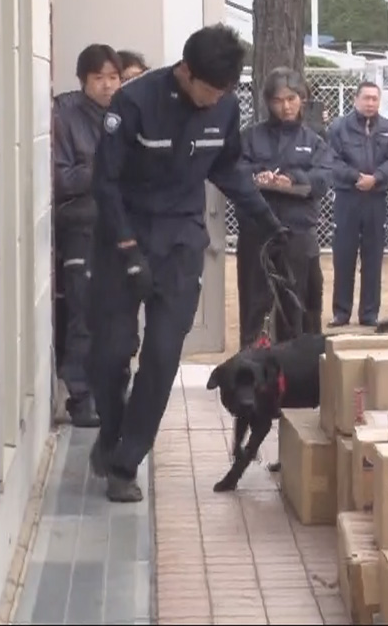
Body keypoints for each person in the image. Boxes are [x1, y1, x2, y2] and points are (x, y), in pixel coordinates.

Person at [89, 25, 287, 502]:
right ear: (185, 71)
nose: (215, 99)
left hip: (180, 243)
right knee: (110, 354)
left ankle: (126, 461)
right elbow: (105, 183)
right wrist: (127, 249)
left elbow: (226, 167)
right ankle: (111, 431)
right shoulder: (135, 102)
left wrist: (266, 219)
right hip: (124, 237)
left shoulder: (224, 105)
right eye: (210, 90)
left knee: (161, 356)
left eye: (224, 91)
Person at [51, 43, 122, 427]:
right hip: (81, 224)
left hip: (121, 226)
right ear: (83, 81)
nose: (108, 85)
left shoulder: (125, 114)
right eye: (99, 78)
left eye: (113, 77)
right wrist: (103, 167)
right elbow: (61, 179)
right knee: (83, 312)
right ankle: (80, 397)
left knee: (114, 315)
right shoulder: (65, 115)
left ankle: (107, 390)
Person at [237, 67, 333, 348]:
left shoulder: (314, 139)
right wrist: (258, 176)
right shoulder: (251, 136)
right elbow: (235, 169)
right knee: (255, 301)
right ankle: (252, 359)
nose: (286, 106)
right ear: (268, 102)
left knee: (301, 301)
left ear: (302, 99)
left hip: (298, 231)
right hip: (257, 231)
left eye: (291, 99)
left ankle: (300, 358)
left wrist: (293, 179)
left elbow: (323, 177)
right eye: (278, 100)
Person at [326, 82, 388, 327]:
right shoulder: (338, 128)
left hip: (376, 199)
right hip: (348, 198)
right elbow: (332, 159)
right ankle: (341, 313)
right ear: (355, 99)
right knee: (344, 256)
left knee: (373, 257)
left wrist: (376, 178)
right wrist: (356, 177)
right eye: (366, 98)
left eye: (374, 99)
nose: (370, 103)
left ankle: (369, 314)